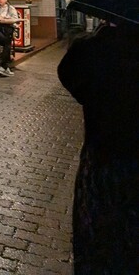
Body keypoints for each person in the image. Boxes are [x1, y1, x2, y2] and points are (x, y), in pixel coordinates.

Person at [57, 20, 139, 274]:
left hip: (103, 162)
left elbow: (69, 72)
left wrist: (102, 33)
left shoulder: (98, 49)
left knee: (99, 243)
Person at [0, 0, 19, 76]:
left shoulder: (10, 8)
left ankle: (4, 66)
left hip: (8, 28)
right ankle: (4, 66)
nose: (0, 0)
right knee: (7, 43)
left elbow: (15, 19)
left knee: (7, 42)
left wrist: (5, 19)